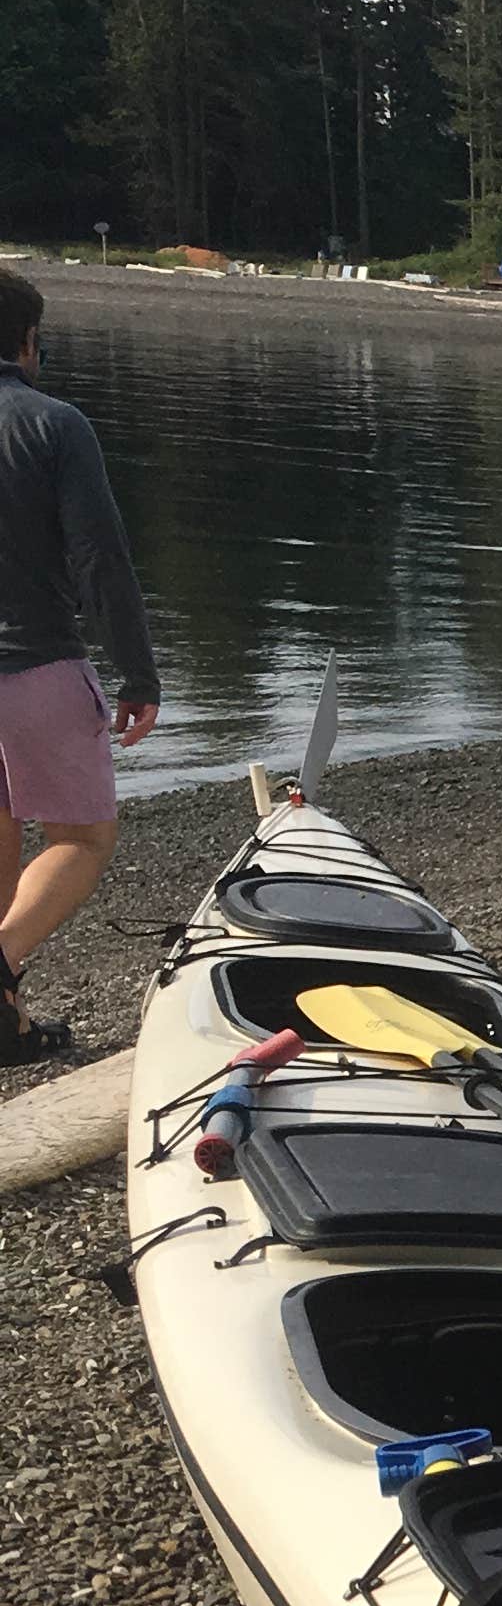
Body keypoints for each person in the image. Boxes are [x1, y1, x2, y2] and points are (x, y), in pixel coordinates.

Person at [0, 269, 156, 1060]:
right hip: (33, 667)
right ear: (29, 344)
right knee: (81, 837)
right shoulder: (53, 424)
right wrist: (138, 675)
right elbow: (100, 558)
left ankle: (7, 1025)